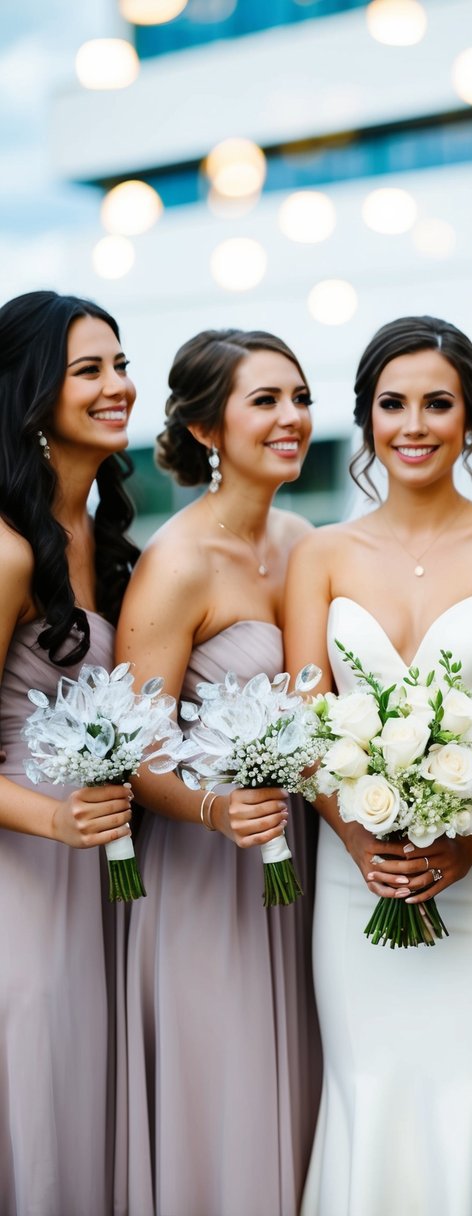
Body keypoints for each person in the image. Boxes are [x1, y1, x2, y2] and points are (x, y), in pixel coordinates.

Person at [284, 315, 472, 1216]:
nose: (413, 425)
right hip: (354, 870)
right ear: (365, 418)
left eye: (437, 404)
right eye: (391, 404)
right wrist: (358, 838)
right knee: (370, 1083)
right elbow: (300, 723)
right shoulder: (319, 555)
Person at [117, 329, 320, 1216]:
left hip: (307, 861)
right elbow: (132, 752)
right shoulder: (175, 563)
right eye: (264, 401)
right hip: (206, 874)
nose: (291, 418)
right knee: (227, 1097)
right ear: (206, 429)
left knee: (305, 1094)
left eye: (299, 397)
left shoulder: (308, 538)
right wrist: (214, 810)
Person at [0, 290, 138, 1215]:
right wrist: (55, 816)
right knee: (37, 1098)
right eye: (88, 370)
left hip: (103, 871)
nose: (117, 386)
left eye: (119, 365)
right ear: (31, 395)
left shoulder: (117, 545)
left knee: (89, 1098)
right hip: (24, 872)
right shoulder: (8, 553)